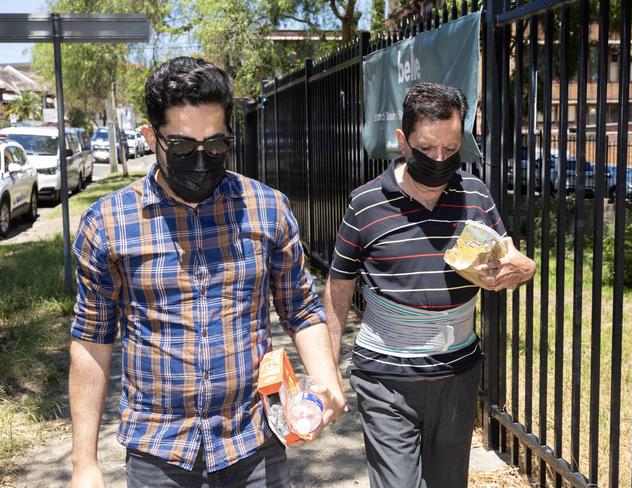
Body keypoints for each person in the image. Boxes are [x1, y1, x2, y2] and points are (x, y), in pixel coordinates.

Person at [69, 56, 346, 488]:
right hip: (158, 453)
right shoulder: (108, 223)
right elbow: (92, 340)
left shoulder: (267, 208)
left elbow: (302, 309)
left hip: (254, 444)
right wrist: (84, 463)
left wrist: (328, 381)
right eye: (181, 147)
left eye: (215, 146)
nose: (200, 159)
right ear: (151, 137)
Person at [322, 82, 535, 488]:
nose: (439, 159)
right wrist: (327, 372)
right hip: (386, 378)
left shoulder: (474, 193)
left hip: (456, 375)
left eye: (451, 150)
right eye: (427, 149)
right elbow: (338, 287)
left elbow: (509, 255)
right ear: (403, 142)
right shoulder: (365, 204)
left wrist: (524, 268)